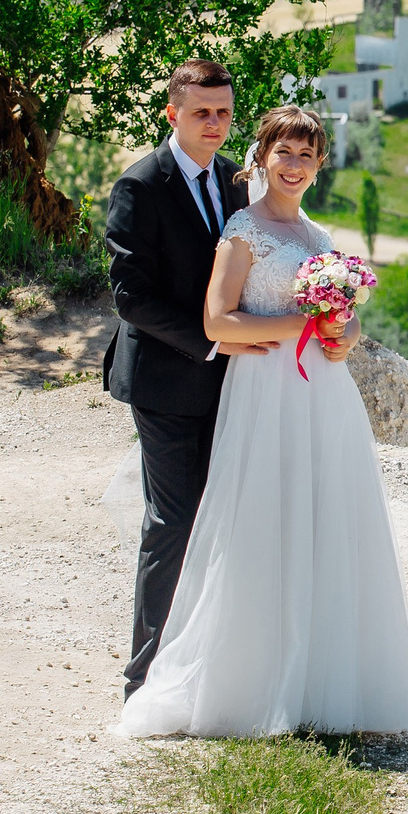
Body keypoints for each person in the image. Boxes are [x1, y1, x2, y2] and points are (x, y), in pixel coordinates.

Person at [120, 104, 408, 739]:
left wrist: (344, 333)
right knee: (260, 518)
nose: (295, 165)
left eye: (307, 155)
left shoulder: (317, 237)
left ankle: (318, 677)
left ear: (319, 167)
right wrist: (300, 327)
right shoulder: (241, 231)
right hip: (263, 389)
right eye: (284, 152)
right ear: (262, 157)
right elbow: (216, 322)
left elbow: (343, 318)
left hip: (322, 396)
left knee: (322, 518)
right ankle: (248, 681)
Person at [106, 61, 252, 699]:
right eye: (201, 112)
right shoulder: (140, 186)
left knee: (227, 517)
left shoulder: (236, 180)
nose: (215, 123)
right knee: (173, 522)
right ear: (172, 113)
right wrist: (214, 340)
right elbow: (130, 298)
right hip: (167, 381)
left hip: (234, 386)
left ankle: (210, 662)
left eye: (223, 111)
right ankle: (145, 677)